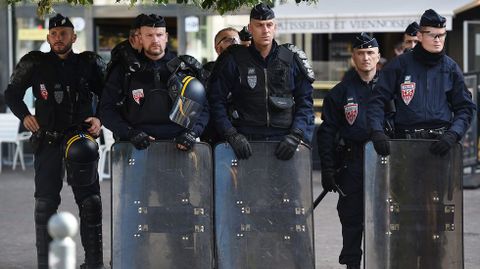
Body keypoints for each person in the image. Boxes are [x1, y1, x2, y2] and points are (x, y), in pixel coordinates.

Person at [4, 14, 106, 269]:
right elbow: (12, 93)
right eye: (54, 34)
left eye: (64, 33)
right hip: (47, 140)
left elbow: (109, 94)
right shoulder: (35, 63)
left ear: (74, 37)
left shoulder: (88, 63)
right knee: (46, 203)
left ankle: (93, 263)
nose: (58, 38)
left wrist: (99, 118)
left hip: (80, 141)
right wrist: (24, 115)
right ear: (47, 37)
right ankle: (46, 263)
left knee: (90, 201)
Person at [209, 3, 315, 160]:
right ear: (250, 28)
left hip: (284, 140)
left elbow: (305, 102)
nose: (265, 30)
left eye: (269, 25)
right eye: (259, 25)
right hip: (245, 142)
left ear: (275, 27)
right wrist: (230, 134)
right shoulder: (234, 59)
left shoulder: (290, 58)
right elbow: (216, 100)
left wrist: (297, 135)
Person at [368, 9, 475, 157]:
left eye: (442, 34)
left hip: (440, 145)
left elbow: (466, 108)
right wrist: (377, 131)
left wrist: (453, 134)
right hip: (404, 145)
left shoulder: (451, 68)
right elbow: (377, 101)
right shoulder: (399, 65)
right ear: (419, 35)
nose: (438, 40)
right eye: (432, 35)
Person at [99, 14, 209, 151]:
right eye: (149, 35)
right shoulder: (125, 69)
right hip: (136, 147)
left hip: (178, 147)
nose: (155, 39)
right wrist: (128, 132)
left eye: (159, 34)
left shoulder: (184, 68)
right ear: (140, 38)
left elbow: (203, 108)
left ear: (166, 37)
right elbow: (106, 109)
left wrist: (193, 133)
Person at [317, 33, 381, 269]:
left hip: (384, 163)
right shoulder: (340, 92)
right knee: (352, 220)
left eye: (370, 53)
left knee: (384, 219)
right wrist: (328, 168)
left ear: (378, 56)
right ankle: (352, 265)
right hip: (352, 163)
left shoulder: (389, 89)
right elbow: (326, 133)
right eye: (361, 53)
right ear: (353, 56)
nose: (366, 58)